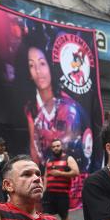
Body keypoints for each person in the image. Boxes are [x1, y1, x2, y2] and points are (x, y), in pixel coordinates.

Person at [17, 32, 87, 167]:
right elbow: (34, 147)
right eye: (31, 65)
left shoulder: (68, 105)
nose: (38, 71)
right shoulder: (30, 108)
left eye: (42, 63)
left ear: (50, 66)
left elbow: (74, 143)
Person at [43, 139, 79, 220]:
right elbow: (45, 176)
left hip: (62, 193)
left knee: (64, 216)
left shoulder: (68, 158)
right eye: (54, 146)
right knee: (47, 216)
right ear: (51, 148)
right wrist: (43, 190)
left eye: (58, 146)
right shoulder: (49, 160)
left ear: (61, 146)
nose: (56, 148)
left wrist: (60, 174)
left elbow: (76, 172)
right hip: (49, 193)